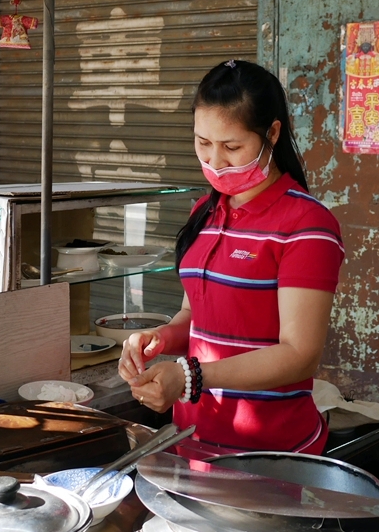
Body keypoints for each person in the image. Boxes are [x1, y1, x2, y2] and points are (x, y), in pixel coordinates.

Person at [118, 59, 345, 454]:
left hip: (272, 452)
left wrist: (189, 377)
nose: (215, 162)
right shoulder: (203, 213)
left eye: (232, 147)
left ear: (271, 133)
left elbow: (300, 355)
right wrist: (157, 340)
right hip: (193, 439)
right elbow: (194, 318)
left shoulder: (306, 224)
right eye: (202, 143)